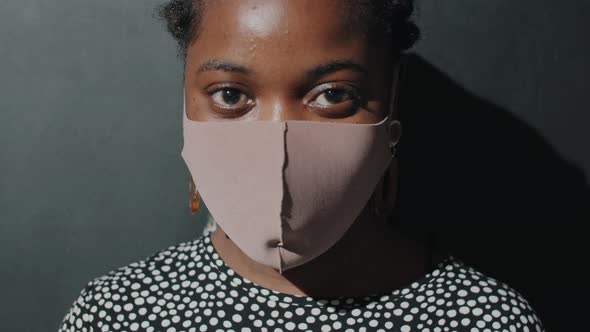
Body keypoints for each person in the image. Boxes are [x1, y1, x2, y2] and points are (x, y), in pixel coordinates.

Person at [58, 1, 546, 331]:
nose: (280, 141)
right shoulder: (117, 314)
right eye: (231, 95)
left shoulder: (484, 321)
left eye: (333, 95)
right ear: (187, 105)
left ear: (391, 104)